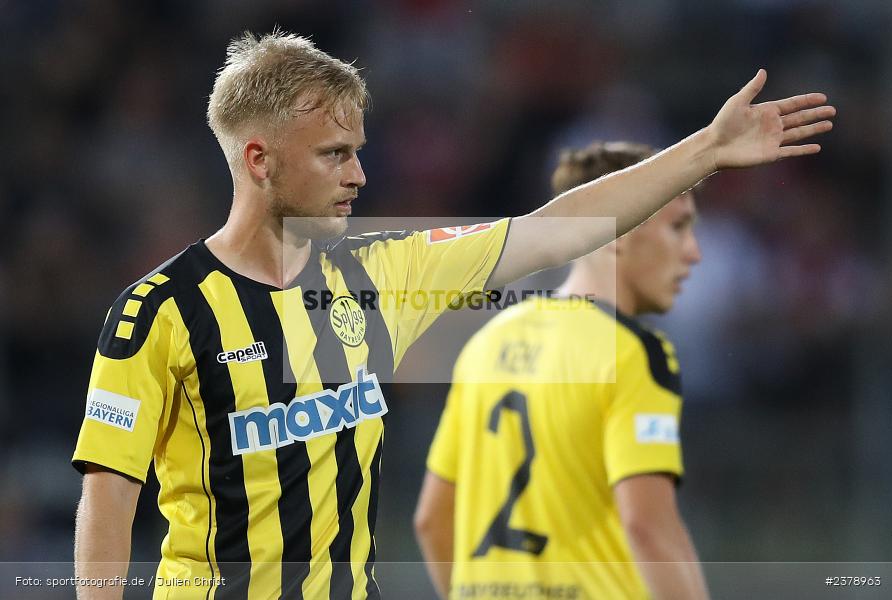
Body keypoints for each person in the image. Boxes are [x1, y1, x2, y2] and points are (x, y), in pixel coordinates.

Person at [71, 30, 833, 600]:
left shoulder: (380, 272)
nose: (360, 174)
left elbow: (552, 227)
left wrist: (704, 150)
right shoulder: (159, 311)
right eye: (335, 154)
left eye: (358, 150)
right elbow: (109, 501)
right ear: (260, 160)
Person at [414, 141, 709, 599]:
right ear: (622, 229)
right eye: (678, 228)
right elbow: (648, 527)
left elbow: (432, 519)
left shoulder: (486, 345)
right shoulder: (631, 352)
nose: (694, 253)